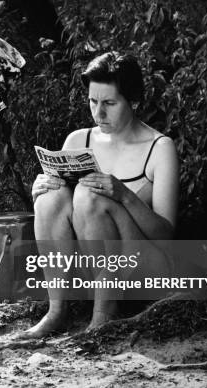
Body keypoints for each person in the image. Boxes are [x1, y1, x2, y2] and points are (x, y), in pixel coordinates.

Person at [19, 52, 179, 338]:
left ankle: (102, 316)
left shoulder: (160, 147)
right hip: (90, 266)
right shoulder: (79, 140)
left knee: (89, 196)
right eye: (93, 101)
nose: (98, 113)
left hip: (143, 267)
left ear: (134, 101)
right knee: (51, 196)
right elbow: (59, 215)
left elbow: (166, 236)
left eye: (109, 103)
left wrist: (124, 195)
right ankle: (56, 312)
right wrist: (39, 194)